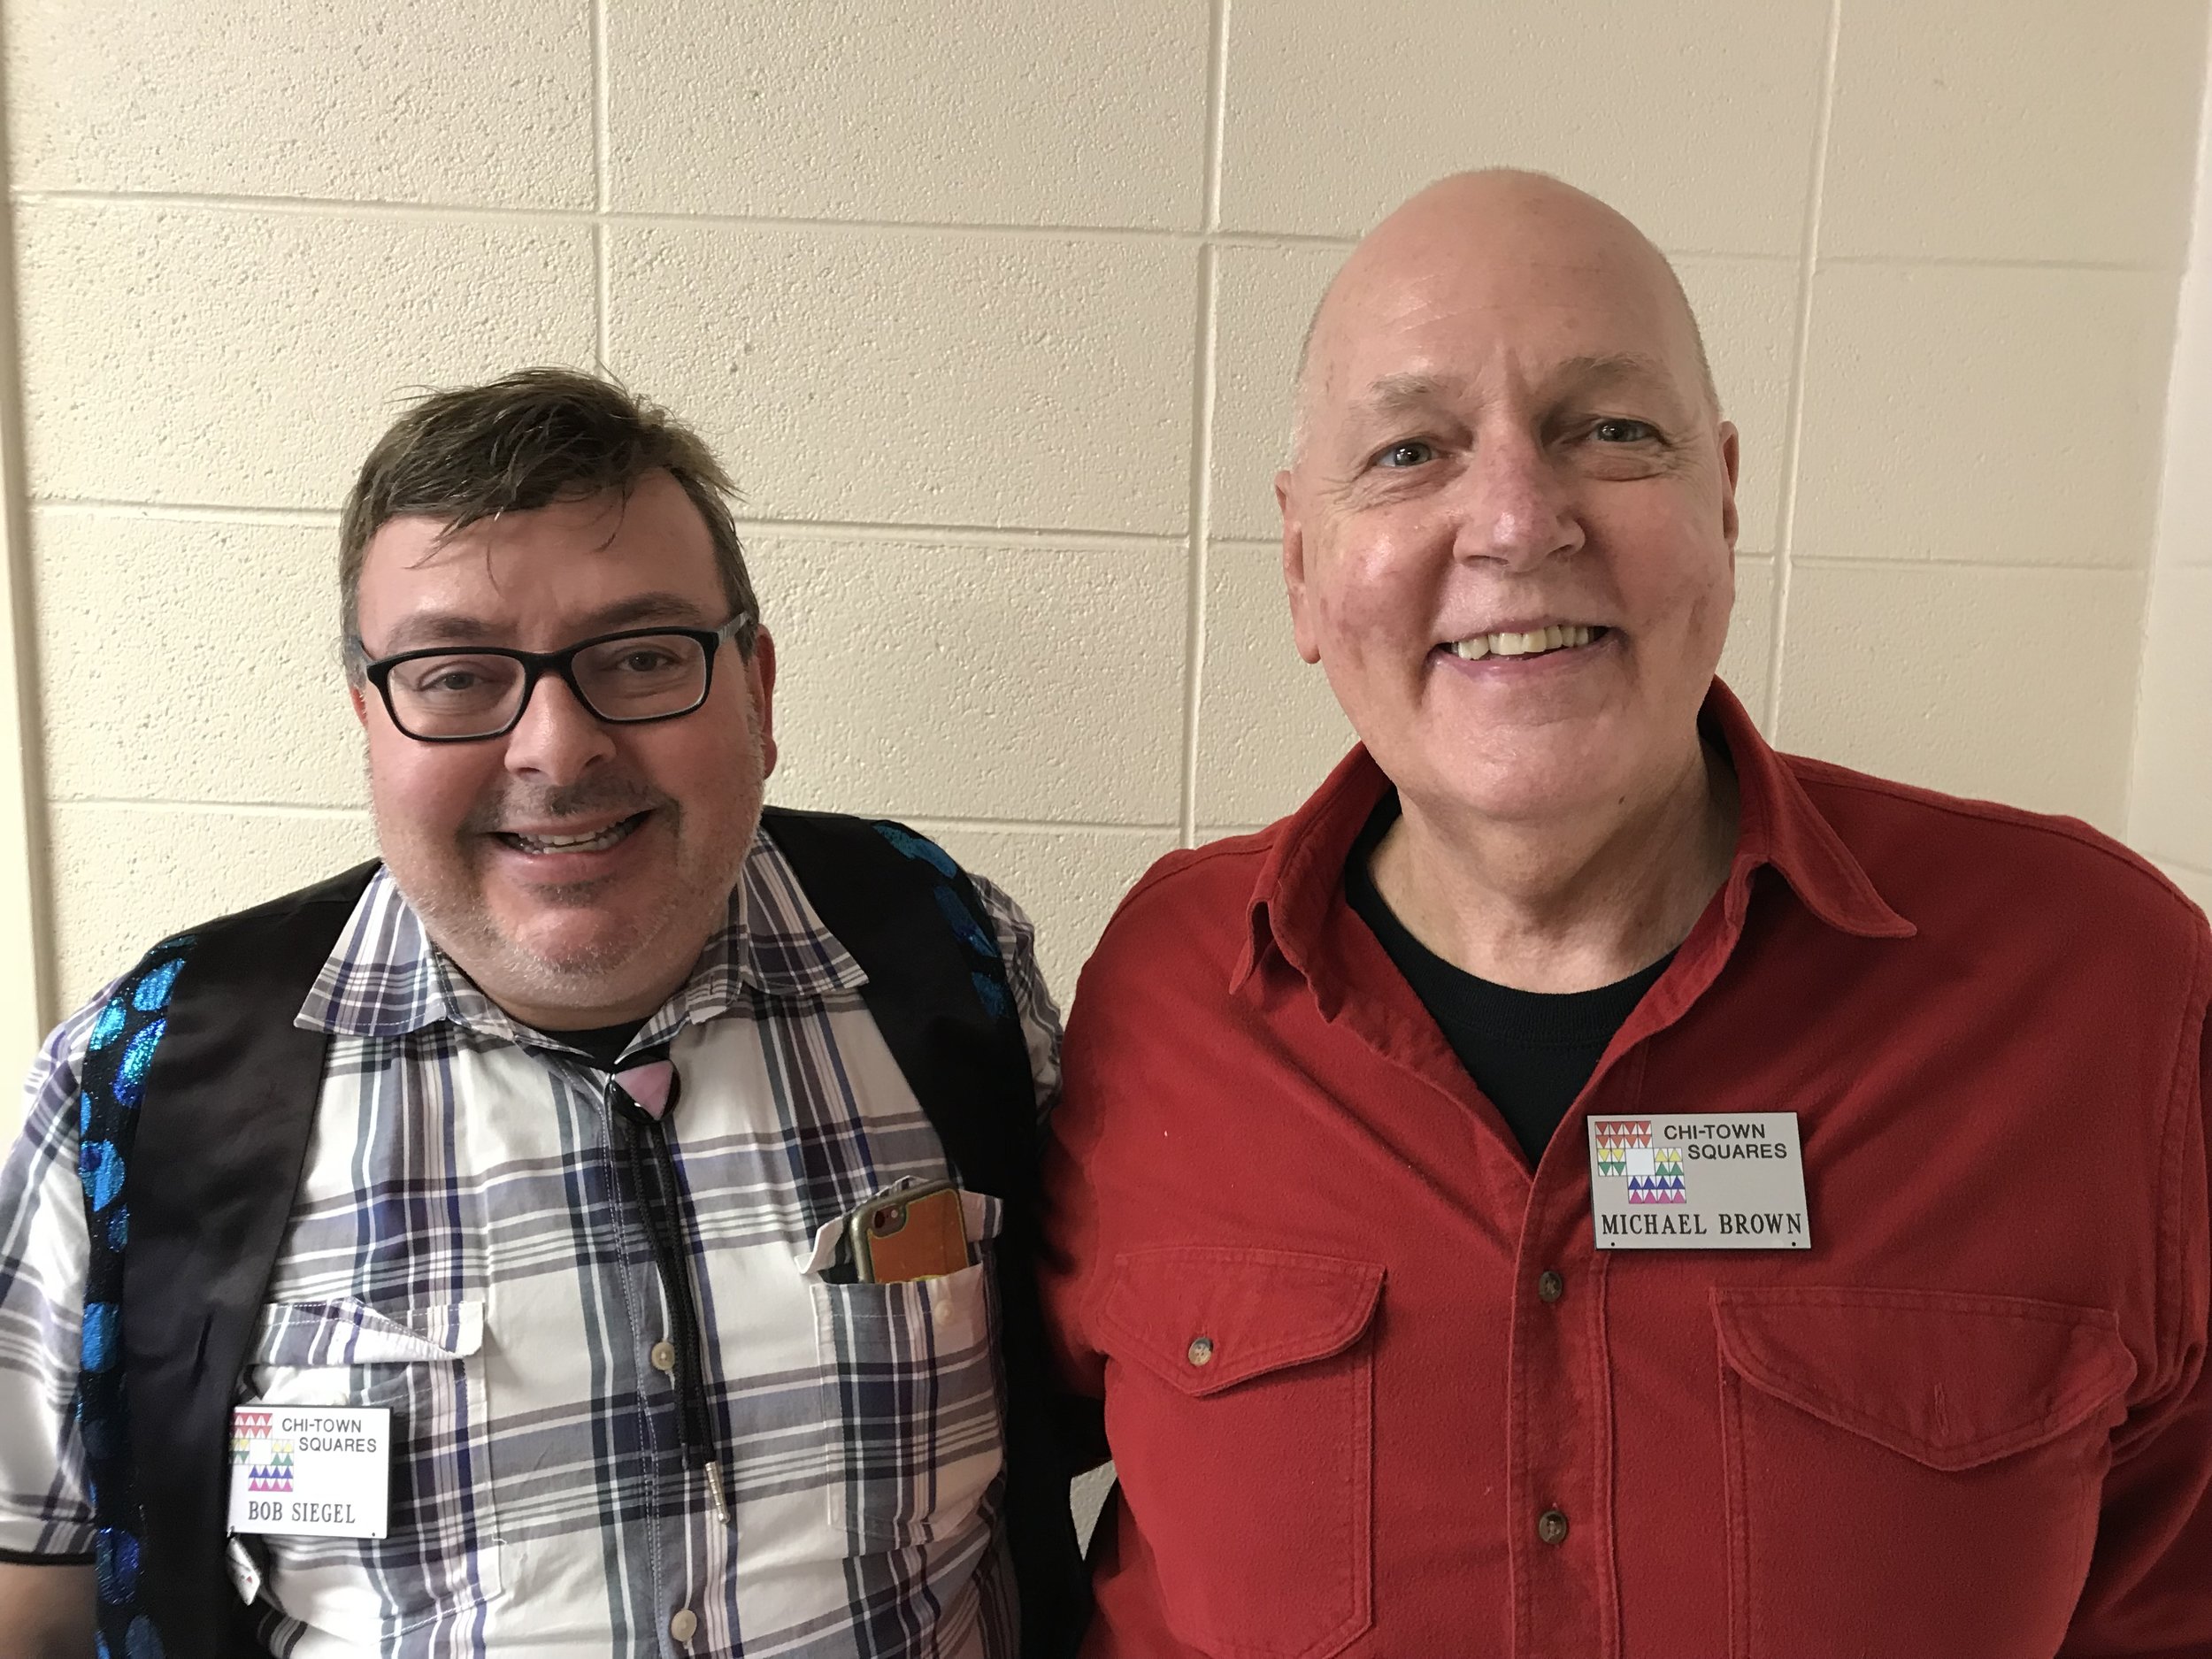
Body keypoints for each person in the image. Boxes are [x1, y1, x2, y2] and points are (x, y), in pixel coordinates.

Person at [1040, 171, 2211, 1658]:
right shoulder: (1166, 986)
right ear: (1301, 567)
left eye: (1612, 431)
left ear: (1723, 500)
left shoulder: (2103, 989)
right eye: (1411, 452)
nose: (1521, 521)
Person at [0, 369, 1088, 1658]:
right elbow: (39, 1597)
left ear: (759, 691)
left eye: (640, 656)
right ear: (369, 720)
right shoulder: (143, 1081)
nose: (558, 749)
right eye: (457, 676)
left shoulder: (945, 957)